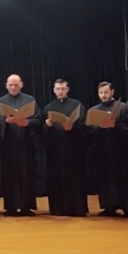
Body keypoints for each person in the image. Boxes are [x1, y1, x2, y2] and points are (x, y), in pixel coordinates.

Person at [88, 82, 128, 218]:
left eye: (106, 92)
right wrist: (99, 127)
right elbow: (89, 131)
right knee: (106, 179)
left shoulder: (123, 108)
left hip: (121, 152)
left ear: (112, 92)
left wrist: (115, 125)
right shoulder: (94, 110)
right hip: (103, 152)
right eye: (101, 93)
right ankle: (109, 207)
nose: (103, 95)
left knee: (124, 179)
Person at [0, 74, 40, 217]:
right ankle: (11, 207)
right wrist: (6, 122)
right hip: (8, 146)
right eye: (10, 85)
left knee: (26, 175)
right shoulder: (0, 102)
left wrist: (27, 123)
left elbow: (38, 120)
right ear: (6, 85)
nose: (13, 87)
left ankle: (26, 207)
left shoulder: (30, 100)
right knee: (9, 176)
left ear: (21, 84)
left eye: (16, 84)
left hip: (25, 144)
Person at [42, 79, 88, 216]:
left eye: (63, 89)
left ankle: (76, 208)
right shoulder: (48, 107)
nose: (60, 91)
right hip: (55, 151)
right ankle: (58, 208)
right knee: (57, 179)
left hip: (73, 150)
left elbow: (83, 127)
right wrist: (47, 126)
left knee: (74, 180)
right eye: (58, 89)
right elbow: (42, 133)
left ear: (68, 89)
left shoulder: (77, 105)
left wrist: (72, 128)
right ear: (54, 90)